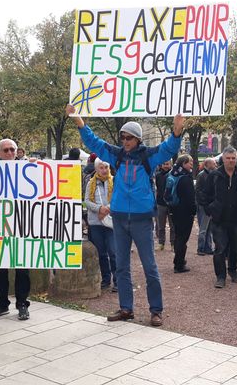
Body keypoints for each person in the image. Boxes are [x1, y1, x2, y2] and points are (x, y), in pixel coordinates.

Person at [66, 104, 184, 327]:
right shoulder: (116, 154)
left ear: (138, 139)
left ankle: (156, 310)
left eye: (129, 138)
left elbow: (168, 149)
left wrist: (177, 131)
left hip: (141, 219)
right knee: (121, 266)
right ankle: (126, 308)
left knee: (150, 267)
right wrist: (79, 121)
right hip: (119, 218)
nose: (125, 141)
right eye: (123, 138)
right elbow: (94, 143)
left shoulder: (148, 156)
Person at [0, 138, 31, 320]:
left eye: (13, 149)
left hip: (21, 225)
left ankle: (22, 304)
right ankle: (2, 303)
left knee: (22, 269)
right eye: (6, 150)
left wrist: (38, 169)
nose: (10, 153)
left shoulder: (27, 170)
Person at [203, 147, 237, 288]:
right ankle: (220, 276)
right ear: (223, 159)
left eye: (233, 158)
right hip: (219, 218)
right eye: (228, 158)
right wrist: (210, 209)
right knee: (220, 248)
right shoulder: (214, 175)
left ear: (236, 159)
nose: (230, 161)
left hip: (236, 218)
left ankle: (233, 270)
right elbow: (204, 194)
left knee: (235, 248)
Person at [85, 158, 117, 292]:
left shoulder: (114, 181)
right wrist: (99, 209)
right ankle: (105, 279)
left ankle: (117, 280)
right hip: (96, 222)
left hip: (111, 222)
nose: (104, 170)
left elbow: (118, 198)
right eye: (101, 168)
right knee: (101, 253)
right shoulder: (91, 183)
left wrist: (106, 209)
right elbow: (86, 200)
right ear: (97, 169)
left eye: (106, 167)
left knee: (113, 251)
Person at [168, 154, 196, 273]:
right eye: (190, 162)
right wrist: (193, 210)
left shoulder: (173, 174)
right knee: (182, 238)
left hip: (174, 209)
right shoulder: (185, 178)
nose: (191, 165)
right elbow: (190, 198)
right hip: (184, 212)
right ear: (184, 163)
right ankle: (179, 264)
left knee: (179, 236)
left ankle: (179, 261)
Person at [195, 157, 216, 256]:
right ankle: (201, 248)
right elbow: (198, 191)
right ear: (208, 165)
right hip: (204, 205)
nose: (215, 165)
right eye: (213, 164)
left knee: (209, 228)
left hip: (210, 205)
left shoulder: (211, 175)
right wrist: (204, 203)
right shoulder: (202, 175)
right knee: (203, 228)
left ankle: (208, 247)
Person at [154, 160, 175, 251]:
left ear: (171, 164)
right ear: (161, 165)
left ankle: (173, 244)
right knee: (160, 225)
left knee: (173, 225)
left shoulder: (174, 175)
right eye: (164, 164)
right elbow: (157, 189)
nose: (166, 166)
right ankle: (161, 243)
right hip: (160, 203)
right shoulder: (158, 175)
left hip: (171, 204)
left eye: (167, 164)